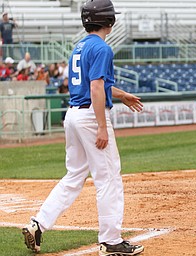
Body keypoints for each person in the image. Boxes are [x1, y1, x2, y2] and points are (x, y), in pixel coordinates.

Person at [22, 0, 145, 255]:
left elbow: (96, 84)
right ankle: (111, 241)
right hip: (91, 116)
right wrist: (102, 126)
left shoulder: (79, 47)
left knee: (74, 175)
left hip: (74, 115)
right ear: (109, 21)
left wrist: (121, 95)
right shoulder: (102, 48)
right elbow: (96, 87)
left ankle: (38, 223)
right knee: (108, 177)